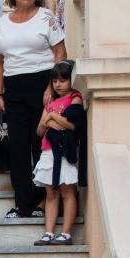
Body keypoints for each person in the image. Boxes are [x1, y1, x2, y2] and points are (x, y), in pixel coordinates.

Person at [0, 0, 67, 220]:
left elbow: (60, 52)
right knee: (18, 148)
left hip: (42, 84)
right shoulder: (1, 23)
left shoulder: (46, 17)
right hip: (13, 88)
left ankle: (42, 203)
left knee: (40, 145)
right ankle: (22, 204)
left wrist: (50, 87)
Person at [32, 60, 83, 246]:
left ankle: (67, 233)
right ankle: (48, 232)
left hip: (64, 151)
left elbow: (73, 125)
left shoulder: (75, 98)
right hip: (47, 150)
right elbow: (39, 131)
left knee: (67, 191)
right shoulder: (50, 103)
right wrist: (48, 120)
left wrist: (53, 117)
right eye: (54, 81)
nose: (58, 84)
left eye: (62, 80)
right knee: (51, 193)